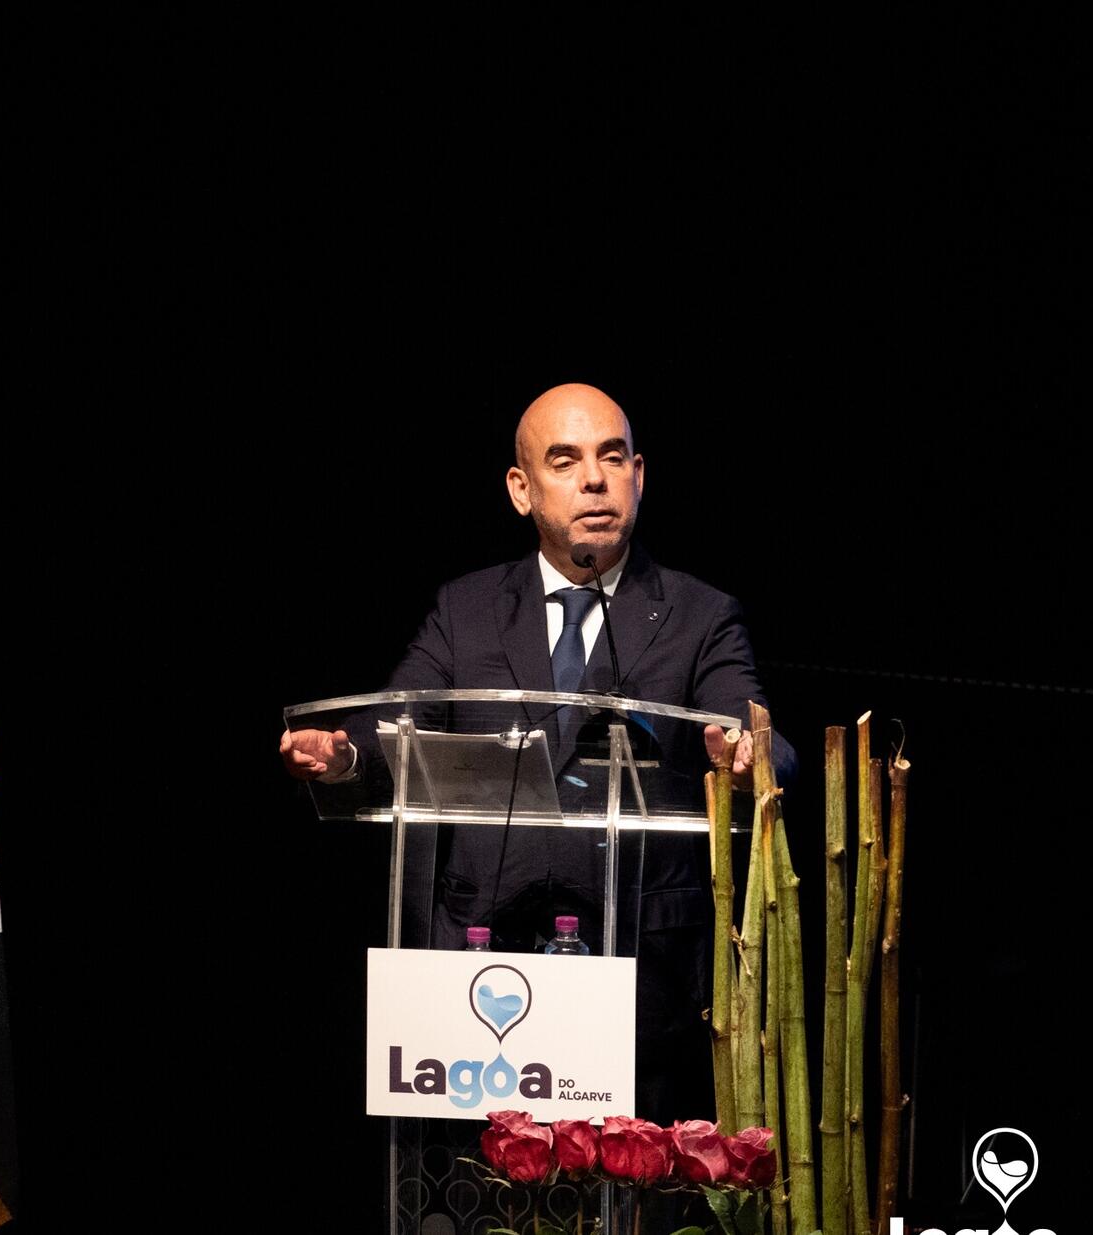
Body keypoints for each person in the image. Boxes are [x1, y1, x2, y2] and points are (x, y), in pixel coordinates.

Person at [280, 381, 794, 1124]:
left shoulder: (699, 615)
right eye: (565, 460)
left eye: (611, 458)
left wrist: (750, 759)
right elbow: (396, 722)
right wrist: (344, 757)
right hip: (484, 965)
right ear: (522, 490)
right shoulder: (465, 609)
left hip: (643, 980)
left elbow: (753, 728)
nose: (594, 479)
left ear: (638, 476)